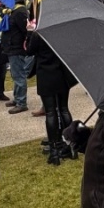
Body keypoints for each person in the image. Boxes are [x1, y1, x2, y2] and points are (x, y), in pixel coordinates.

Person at [27, 25, 78, 165]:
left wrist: (29, 33)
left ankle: (54, 150)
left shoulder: (38, 33)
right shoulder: (63, 31)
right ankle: (70, 145)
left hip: (46, 74)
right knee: (63, 108)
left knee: (51, 112)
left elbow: (30, 50)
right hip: (61, 73)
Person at [2, 2, 32, 114]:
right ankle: (16, 98)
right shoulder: (11, 11)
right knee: (15, 75)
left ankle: (21, 103)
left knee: (19, 76)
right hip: (11, 48)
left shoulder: (19, 12)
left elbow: (25, 30)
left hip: (16, 48)